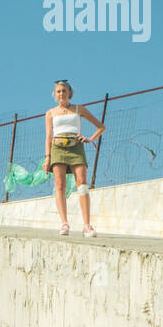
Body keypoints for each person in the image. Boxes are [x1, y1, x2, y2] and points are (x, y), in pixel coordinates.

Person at [43, 80, 105, 237]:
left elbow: (101, 127)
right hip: (57, 147)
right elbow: (48, 136)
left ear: (70, 93)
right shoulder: (50, 113)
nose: (61, 94)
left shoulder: (79, 109)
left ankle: (87, 225)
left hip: (76, 147)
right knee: (59, 184)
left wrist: (90, 139)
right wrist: (47, 157)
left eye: (64, 91)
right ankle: (64, 223)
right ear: (54, 94)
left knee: (82, 183)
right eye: (58, 91)